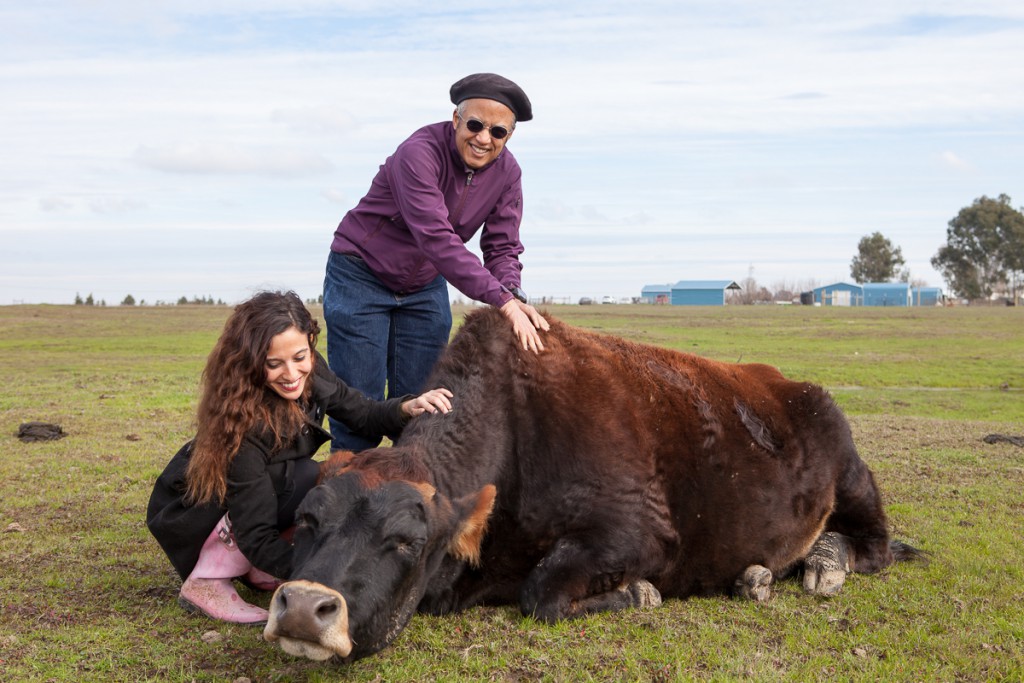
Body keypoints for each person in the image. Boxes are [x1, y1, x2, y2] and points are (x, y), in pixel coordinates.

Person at [146, 290, 452, 625]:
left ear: (310, 342)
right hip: (194, 511)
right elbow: (255, 532)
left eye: (299, 357)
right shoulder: (245, 427)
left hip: (258, 492)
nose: (291, 374)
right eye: (273, 364)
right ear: (251, 362)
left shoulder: (311, 372)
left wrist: (406, 407)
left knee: (310, 477)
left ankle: (251, 567)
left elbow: (360, 410)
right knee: (306, 478)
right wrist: (315, 570)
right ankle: (206, 579)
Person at [323, 72, 550, 452]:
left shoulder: (508, 173)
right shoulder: (418, 153)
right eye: (475, 124)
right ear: (456, 119)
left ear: (509, 137)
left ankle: (409, 503)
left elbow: (502, 244)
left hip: (424, 283)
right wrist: (501, 300)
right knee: (358, 409)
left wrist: (511, 290)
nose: (483, 138)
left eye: (497, 132)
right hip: (361, 272)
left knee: (425, 405)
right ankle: (344, 502)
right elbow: (435, 237)